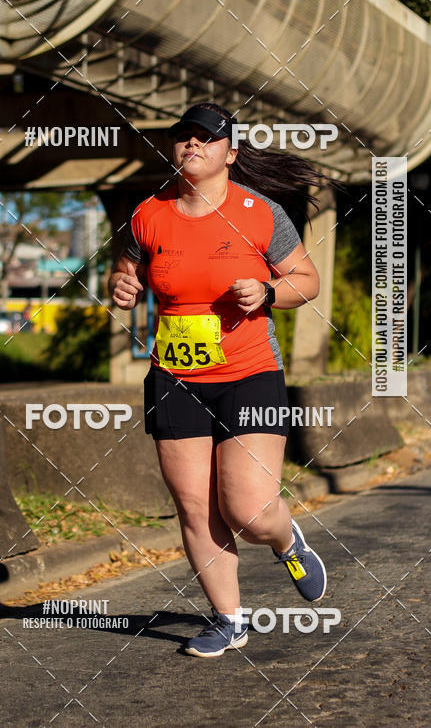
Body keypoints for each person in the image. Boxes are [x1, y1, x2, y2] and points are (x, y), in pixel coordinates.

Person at [109, 102, 331, 658]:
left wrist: (271, 293)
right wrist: (122, 285)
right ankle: (230, 619)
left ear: (230, 153)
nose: (192, 145)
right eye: (184, 137)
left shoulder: (261, 213)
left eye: (206, 139)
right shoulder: (147, 214)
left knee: (251, 511)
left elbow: (308, 279)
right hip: (175, 376)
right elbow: (127, 264)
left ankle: (286, 539)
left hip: (249, 372)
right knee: (195, 506)